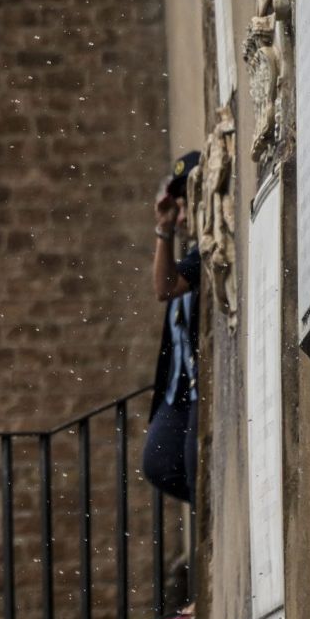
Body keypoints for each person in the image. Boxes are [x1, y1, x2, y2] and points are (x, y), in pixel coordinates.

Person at [143, 151, 202, 505]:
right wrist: (164, 230)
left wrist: (163, 233)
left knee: (195, 471)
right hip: (176, 394)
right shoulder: (186, 256)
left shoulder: (200, 254)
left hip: (195, 392)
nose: (180, 217)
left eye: (185, 206)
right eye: (175, 207)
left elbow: (165, 287)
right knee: (159, 462)